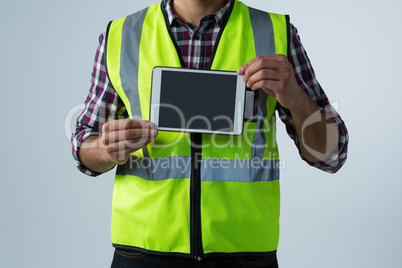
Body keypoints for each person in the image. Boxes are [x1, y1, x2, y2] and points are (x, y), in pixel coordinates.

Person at [71, 0, 349, 267]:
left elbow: (331, 155)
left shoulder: (275, 32)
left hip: (245, 254)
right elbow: (85, 145)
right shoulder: (121, 36)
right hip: (142, 252)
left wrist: (297, 99)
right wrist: (104, 149)